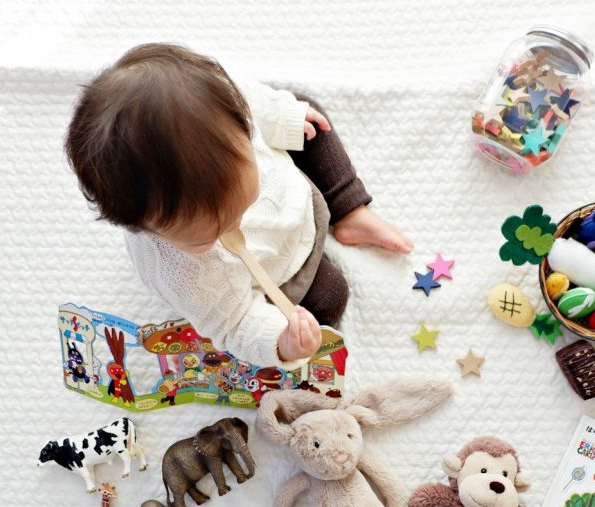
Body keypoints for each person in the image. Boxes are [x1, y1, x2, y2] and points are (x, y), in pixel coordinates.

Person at [65, 43, 412, 367]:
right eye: (209, 235)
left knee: (308, 119)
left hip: (294, 192)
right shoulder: (184, 275)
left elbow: (257, 103)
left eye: (243, 204)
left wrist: (283, 117)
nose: (236, 226)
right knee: (329, 299)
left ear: (240, 126)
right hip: (277, 270)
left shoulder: (224, 104)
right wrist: (281, 343)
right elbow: (235, 323)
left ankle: (349, 210)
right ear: (144, 228)